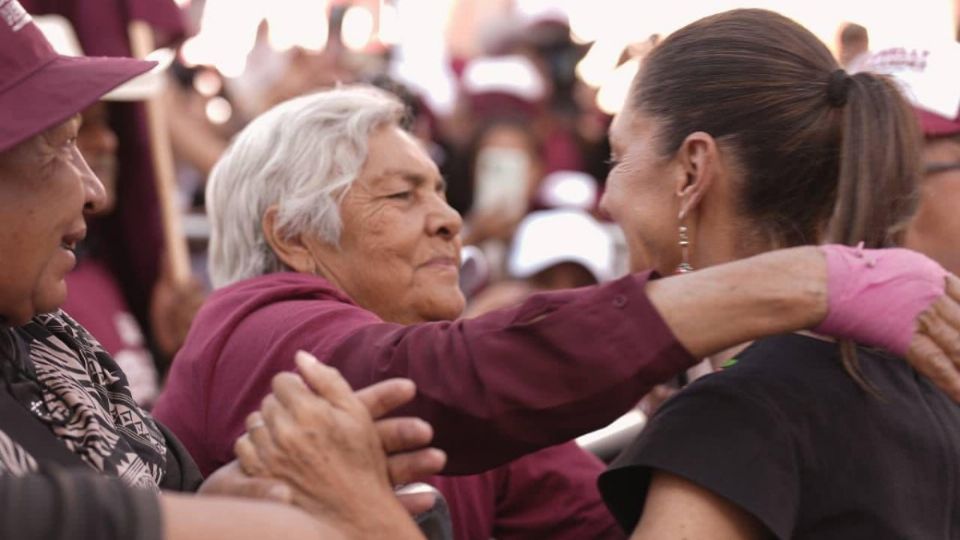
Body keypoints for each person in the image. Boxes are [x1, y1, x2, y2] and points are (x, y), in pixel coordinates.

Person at [153, 79, 960, 538]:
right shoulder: (250, 326)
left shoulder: (492, 423)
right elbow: (455, 376)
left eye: (441, 189)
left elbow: (594, 525)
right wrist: (796, 288)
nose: (449, 217)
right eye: (402, 195)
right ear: (293, 236)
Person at [0, 5, 441, 538]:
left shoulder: (51, 335)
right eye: (56, 149)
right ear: (292, 236)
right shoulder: (266, 326)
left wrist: (237, 493)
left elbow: (164, 482)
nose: (92, 188)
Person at [595, 9, 960, 539]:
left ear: (693, 170)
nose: (606, 200)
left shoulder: (738, 412)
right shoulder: (915, 380)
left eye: (617, 158)